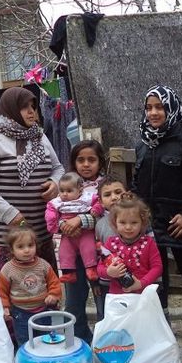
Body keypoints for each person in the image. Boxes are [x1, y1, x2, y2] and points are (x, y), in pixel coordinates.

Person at [132, 85, 182, 346]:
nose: (154, 112)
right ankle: (161, 320)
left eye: (160, 107)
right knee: (158, 273)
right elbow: (137, 184)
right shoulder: (143, 144)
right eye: (149, 107)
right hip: (150, 223)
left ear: (171, 108)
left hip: (178, 221)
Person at [0, 87, 64, 283]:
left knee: (46, 291)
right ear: (11, 109)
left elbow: (58, 168)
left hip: (40, 231)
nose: (32, 111)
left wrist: (55, 183)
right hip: (7, 235)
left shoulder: (40, 137)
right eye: (24, 107)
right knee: (13, 295)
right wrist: (9, 213)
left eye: (33, 106)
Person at [63, 140, 109, 344]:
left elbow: (107, 215)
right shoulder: (66, 185)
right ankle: (78, 340)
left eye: (92, 159)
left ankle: (105, 341)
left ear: (100, 162)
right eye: (80, 160)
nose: (86, 164)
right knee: (73, 300)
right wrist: (62, 225)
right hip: (72, 256)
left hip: (99, 255)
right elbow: (56, 213)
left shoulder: (106, 187)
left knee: (102, 299)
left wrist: (80, 220)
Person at [0, 226, 62, 348]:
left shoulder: (43, 265)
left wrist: (53, 294)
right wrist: (5, 307)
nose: (26, 250)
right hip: (20, 312)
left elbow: (54, 282)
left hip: (43, 309)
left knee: (46, 338)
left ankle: (46, 359)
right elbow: (2, 291)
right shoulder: (8, 269)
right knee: (24, 340)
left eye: (30, 245)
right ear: (12, 250)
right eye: (20, 247)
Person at [97, 193, 163, 294]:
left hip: (144, 295)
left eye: (134, 222)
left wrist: (141, 283)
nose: (128, 227)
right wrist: (109, 272)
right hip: (117, 297)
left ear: (143, 222)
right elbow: (100, 268)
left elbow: (157, 267)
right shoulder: (111, 243)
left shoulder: (149, 243)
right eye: (122, 222)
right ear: (115, 223)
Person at [45, 172, 99, 283]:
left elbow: (98, 202)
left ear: (80, 190)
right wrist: (55, 223)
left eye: (69, 191)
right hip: (67, 233)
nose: (64, 194)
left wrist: (96, 209)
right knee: (64, 251)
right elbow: (50, 212)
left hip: (85, 231)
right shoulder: (58, 202)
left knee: (88, 248)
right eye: (62, 190)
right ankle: (69, 272)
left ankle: (91, 268)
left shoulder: (86, 198)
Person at [94, 178, 127, 319]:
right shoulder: (100, 225)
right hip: (107, 281)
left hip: (135, 279)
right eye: (107, 195)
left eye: (118, 192)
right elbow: (98, 254)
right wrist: (98, 278)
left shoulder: (139, 219)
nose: (114, 197)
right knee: (108, 317)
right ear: (100, 202)